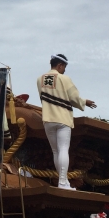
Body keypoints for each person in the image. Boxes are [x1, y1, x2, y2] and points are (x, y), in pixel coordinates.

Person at [37, 54, 96, 190]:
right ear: (60, 65)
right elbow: (74, 98)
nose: (64, 70)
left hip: (47, 119)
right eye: (64, 68)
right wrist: (84, 102)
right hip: (62, 118)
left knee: (55, 151)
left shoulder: (39, 80)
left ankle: (64, 182)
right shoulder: (64, 79)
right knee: (64, 149)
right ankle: (63, 182)